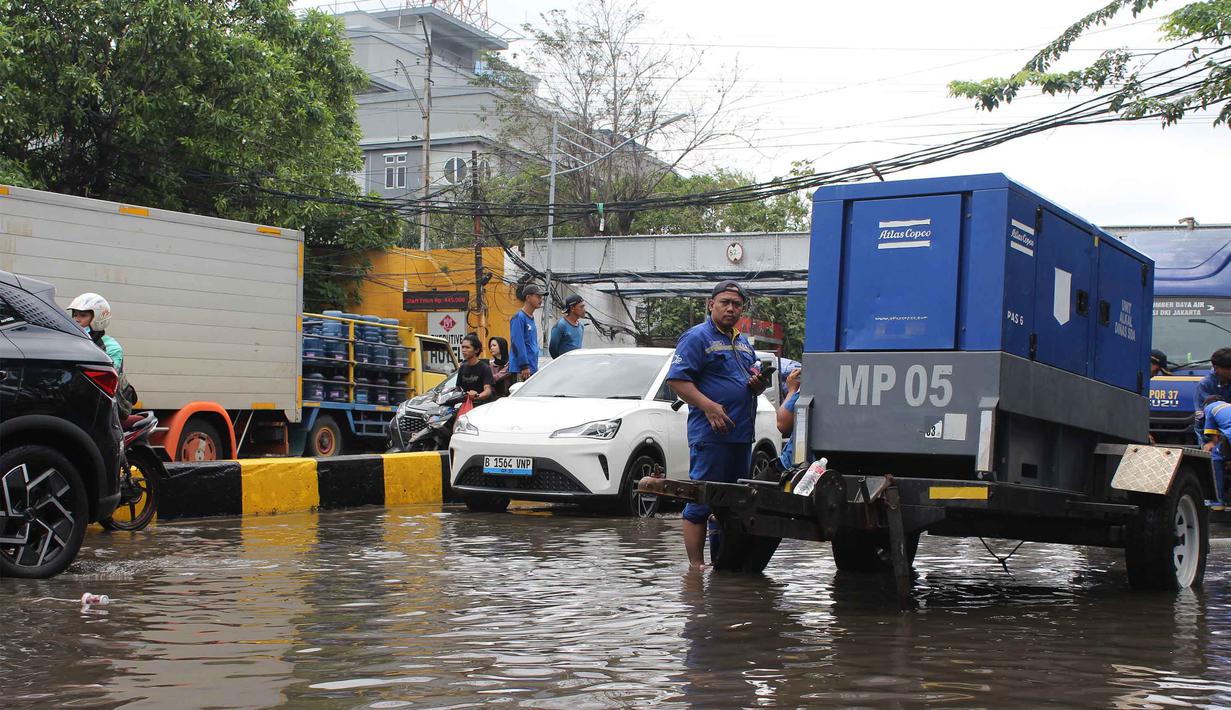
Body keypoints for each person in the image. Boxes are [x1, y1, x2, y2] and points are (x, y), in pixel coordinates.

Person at [666, 280, 771, 568]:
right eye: (725, 302)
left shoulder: (742, 341)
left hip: (740, 435)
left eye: (736, 304)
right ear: (711, 304)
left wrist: (757, 385)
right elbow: (677, 380)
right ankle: (696, 569)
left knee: (733, 502)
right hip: (712, 435)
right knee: (702, 500)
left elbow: (749, 383)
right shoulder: (697, 337)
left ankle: (724, 566)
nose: (731, 308)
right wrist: (708, 406)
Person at [69, 292, 123, 370]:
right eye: (74, 315)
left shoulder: (110, 347)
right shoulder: (70, 341)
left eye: (83, 315)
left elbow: (109, 376)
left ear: (97, 317)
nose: (76, 319)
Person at [1193, 347, 1231, 445]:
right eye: (1228, 368)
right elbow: (1201, 418)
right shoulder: (1205, 385)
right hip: (1213, 436)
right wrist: (1208, 441)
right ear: (1216, 368)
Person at [1200, 395, 1230, 509]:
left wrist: (1209, 445)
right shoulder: (1226, 407)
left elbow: (1214, 439)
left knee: (1215, 456)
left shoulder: (1210, 409)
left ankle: (1218, 501)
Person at [510, 283, 543, 381]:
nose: (540, 300)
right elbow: (517, 343)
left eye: (541, 297)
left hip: (531, 367)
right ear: (528, 297)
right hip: (522, 369)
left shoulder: (531, 318)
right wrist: (524, 365)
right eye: (538, 297)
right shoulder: (519, 317)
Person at [457, 333, 494, 404]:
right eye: (463, 347)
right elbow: (458, 388)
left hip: (481, 406)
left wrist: (477, 396)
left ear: (476, 350)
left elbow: (488, 390)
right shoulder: (462, 367)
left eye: (467, 347)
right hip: (466, 405)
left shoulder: (485, 368)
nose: (464, 350)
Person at [776, 367, 802, 470]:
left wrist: (792, 390)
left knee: (756, 485)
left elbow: (782, 423)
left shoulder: (816, 381)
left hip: (795, 465)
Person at [548, 294, 586, 358]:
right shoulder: (561, 326)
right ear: (572, 308)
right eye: (581, 307)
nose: (584, 309)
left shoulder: (581, 326)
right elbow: (552, 348)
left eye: (584, 306)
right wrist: (560, 363)